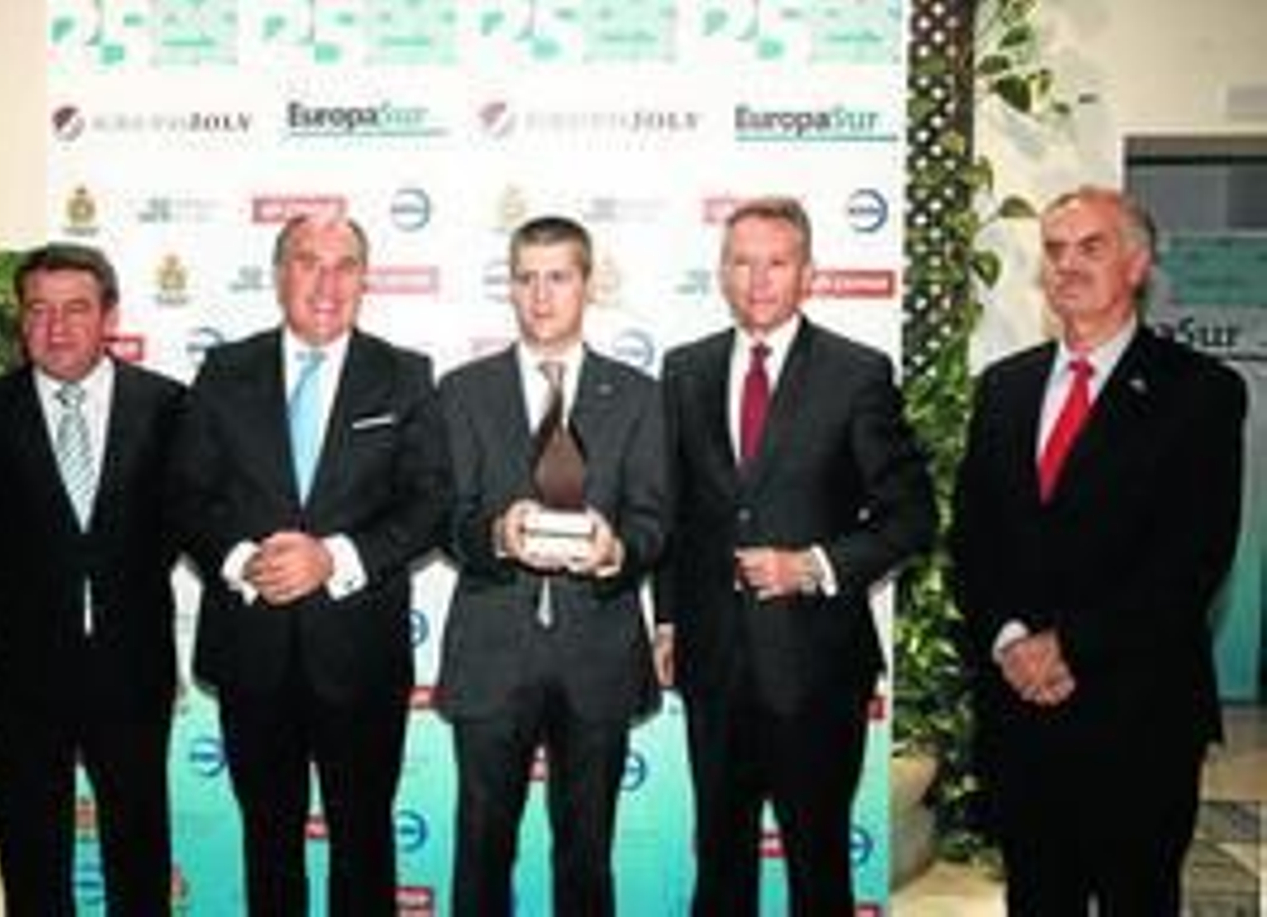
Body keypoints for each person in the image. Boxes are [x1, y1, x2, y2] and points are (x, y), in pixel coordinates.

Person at [952, 186, 1245, 914]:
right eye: (1054, 250)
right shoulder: (1005, 388)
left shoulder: (1201, 391)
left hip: (1137, 711)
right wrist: (1012, 638)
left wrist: (1069, 645)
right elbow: (973, 537)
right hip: (1021, 708)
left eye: (1092, 247)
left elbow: (1192, 559)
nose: (1068, 266)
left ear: (1138, 264)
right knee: (1036, 897)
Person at [657, 196, 934, 916]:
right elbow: (674, 514)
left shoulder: (856, 372)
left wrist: (811, 564)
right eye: (742, 262)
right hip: (714, 663)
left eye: (776, 262)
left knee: (818, 868)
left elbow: (911, 517)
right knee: (718, 862)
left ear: (808, 273)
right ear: (721, 270)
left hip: (816, 668)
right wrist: (668, 622)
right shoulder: (685, 370)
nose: (757, 280)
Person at [168, 214, 450, 915]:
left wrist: (334, 557)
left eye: (345, 264)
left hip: (360, 655)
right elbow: (185, 492)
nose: (326, 282)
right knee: (268, 842)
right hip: (251, 649)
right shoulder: (224, 370)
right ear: (278, 273)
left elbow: (430, 501)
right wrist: (243, 560)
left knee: (363, 841)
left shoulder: (406, 374)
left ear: (365, 278)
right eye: (307, 261)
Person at [436, 216, 667, 916]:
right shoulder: (462, 390)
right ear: (509, 286)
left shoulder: (638, 394)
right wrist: (496, 535)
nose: (541, 296)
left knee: (587, 854)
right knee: (480, 850)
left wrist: (618, 549)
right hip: (491, 653)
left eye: (559, 277)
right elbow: (443, 518)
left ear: (588, 285)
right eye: (527, 278)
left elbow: (657, 520)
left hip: (597, 653)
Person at [0, 243, 183, 913]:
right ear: (21, 319)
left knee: (139, 848)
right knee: (31, 856)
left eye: (76, 309)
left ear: (110, 316)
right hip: (21, 674)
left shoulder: (168, 406)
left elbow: (192, 518)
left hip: (132, 667)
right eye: (38, 310)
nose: (56, 328)